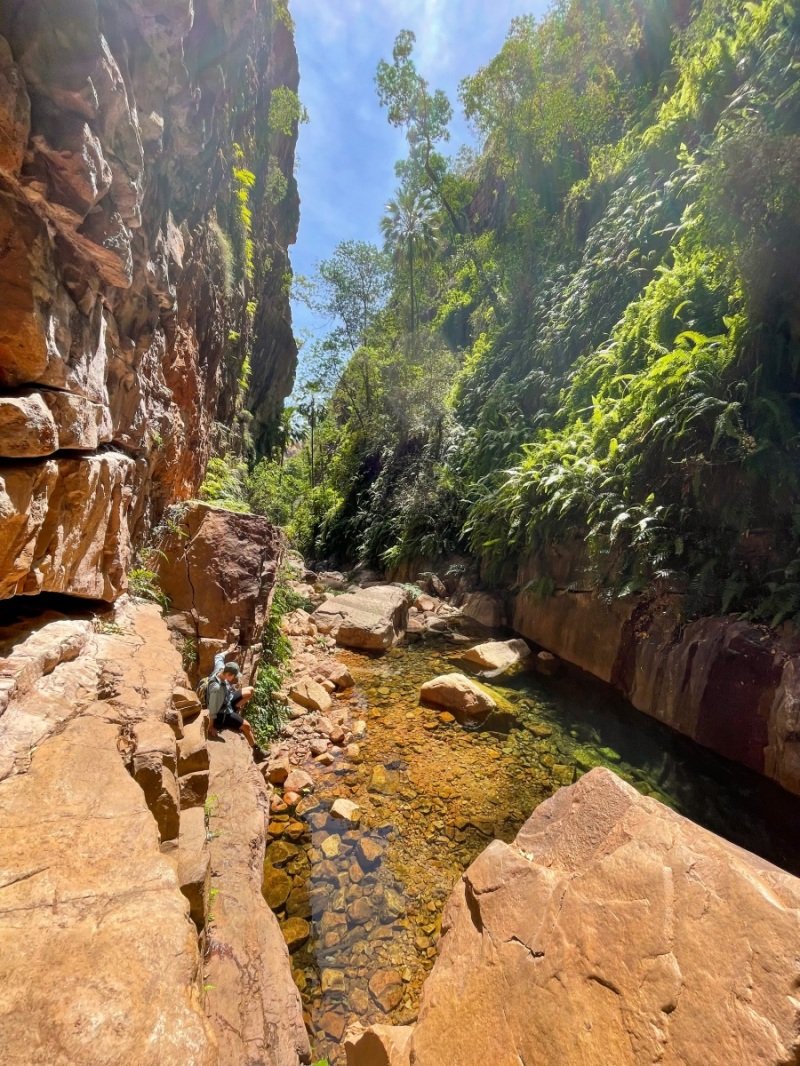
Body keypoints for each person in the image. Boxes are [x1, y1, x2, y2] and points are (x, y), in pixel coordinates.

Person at [206, 652, 261, 757]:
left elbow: (218, 657)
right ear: (228, 674)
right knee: (246, 726)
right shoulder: (217, 689)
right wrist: (211, 726)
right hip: (221, 712)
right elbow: (212, 708)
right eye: (234, 676)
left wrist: (229, 650)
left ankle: (235, 710)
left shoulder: (221, 668)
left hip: (227, 699)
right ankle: (257, 751)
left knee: (250, 690)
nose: (235, 679)